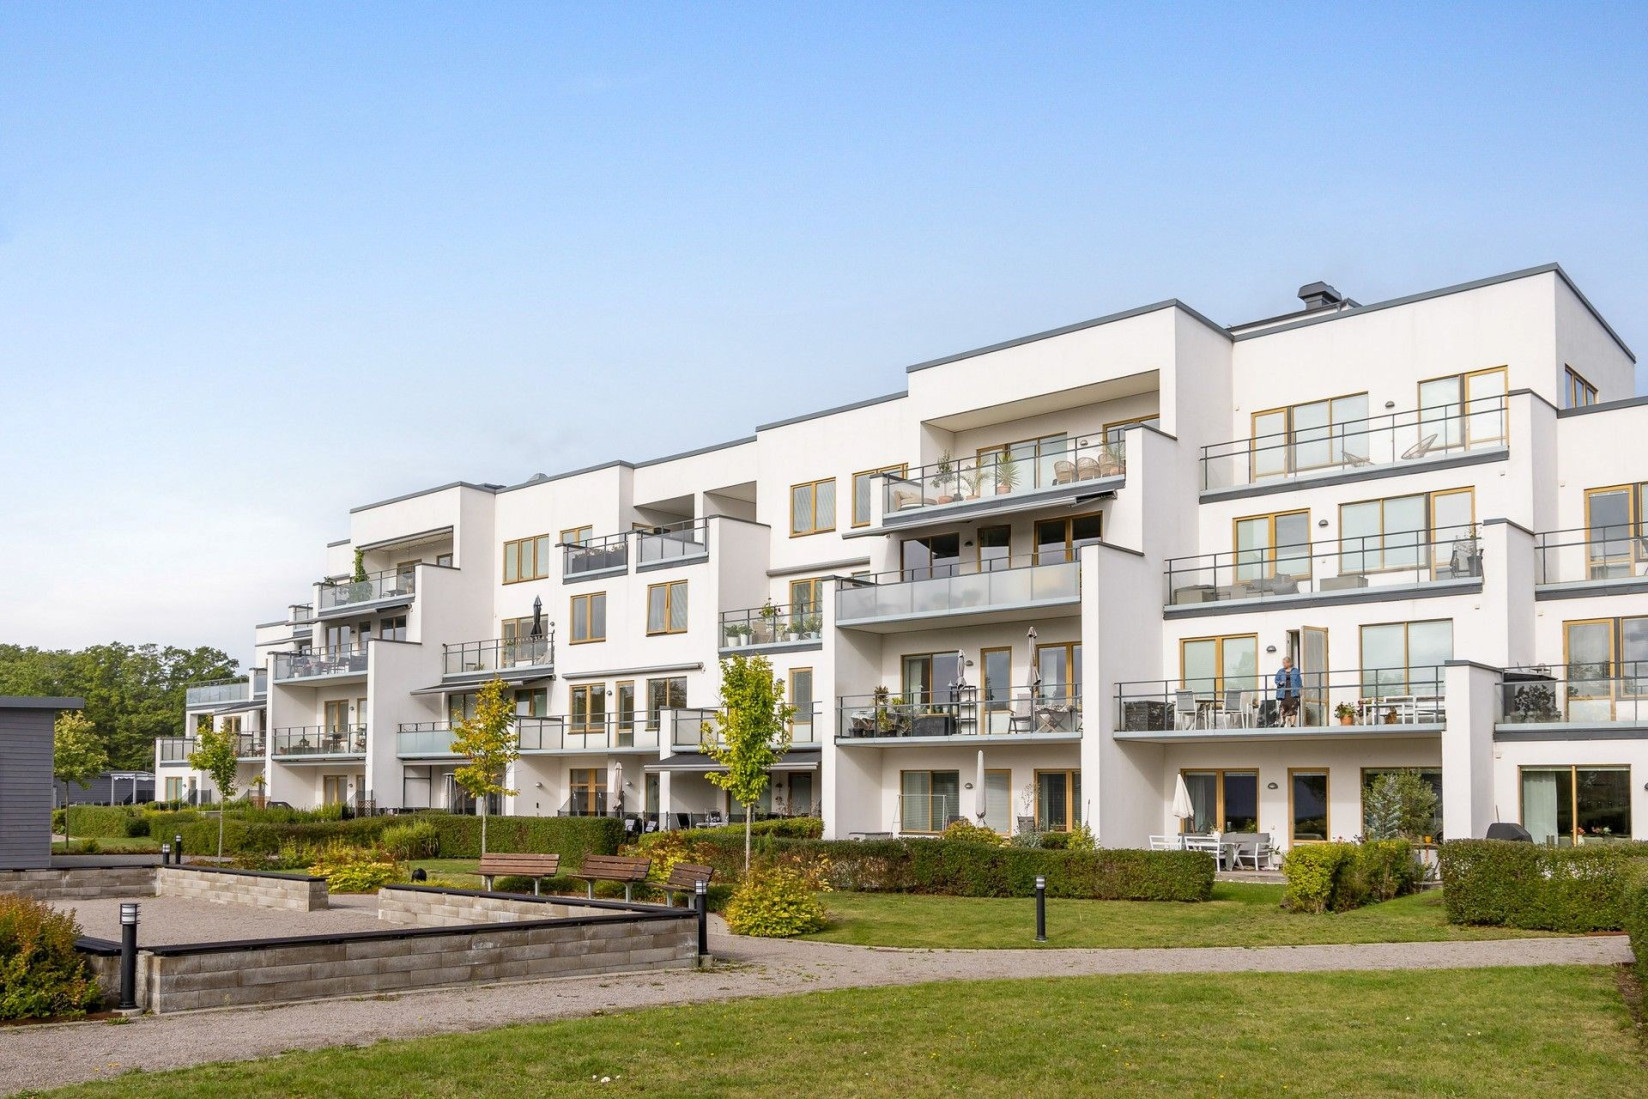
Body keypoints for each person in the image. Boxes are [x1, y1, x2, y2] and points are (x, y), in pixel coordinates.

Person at [1274, 655, 1303, 726]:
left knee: (1293, 707)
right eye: (1283, 663)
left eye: (1284, 663)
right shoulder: (1280, 671)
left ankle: (1292, 724)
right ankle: (1283, 721)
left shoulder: (1295, 671)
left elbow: (1299, 681)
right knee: (1283, 707)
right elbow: (1276, 680)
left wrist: (1300, 690)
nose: (1283, 664)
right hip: (1283, 692)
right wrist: (1279, 683)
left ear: (1289, 663)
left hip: (1293, 692)